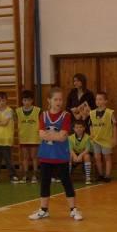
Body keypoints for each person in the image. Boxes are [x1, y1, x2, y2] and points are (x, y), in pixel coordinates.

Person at [28, 86, 83, 221]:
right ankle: (43, 209)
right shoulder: (43, 115)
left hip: (61, 156)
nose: (59, 102)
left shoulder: (66, 116)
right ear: (49, 100)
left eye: (60, 99)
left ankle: (73, 209)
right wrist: (55, 135)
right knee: (45, 183)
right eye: (56, 99)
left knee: (66, 182)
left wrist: (51, 135)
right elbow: (41, 135)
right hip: (46, 155)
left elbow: (63, 137)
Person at [89, 91, 117, 182]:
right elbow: (91, 125)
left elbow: (114, 126)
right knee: (97, 157)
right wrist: (91, 134)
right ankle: (101, 174)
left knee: (107, 158)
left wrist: (115, 138)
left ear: (106, 101)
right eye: (97, 99)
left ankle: (107, 175)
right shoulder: (92, 113)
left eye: (100, 99)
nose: (98, 101)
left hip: (107, 139)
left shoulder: (110, 113)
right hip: (96, 139)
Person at [0, 91, 17, 184]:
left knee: (8, 159)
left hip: (6, 139)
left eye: (3, 100)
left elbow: (5, 123)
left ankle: (13, 175)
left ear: (6, 101)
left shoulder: (9, 110)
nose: (1, 102)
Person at [15, 89, 41, 183]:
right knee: (25, 157)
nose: (26, 102)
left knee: (34, 157)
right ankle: (25, 175)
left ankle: (35, 175)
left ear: (32, 101)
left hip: (34, 138)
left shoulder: (37, 110)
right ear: (22, 101)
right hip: (24, 138)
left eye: (28, 100)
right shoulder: (18, 111)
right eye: (25, 100)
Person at [68, 119, 92, 185]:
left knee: (87, 156)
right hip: (74, 153)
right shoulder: (70, 138)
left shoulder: (87, 137)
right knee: (68, 156)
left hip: (83, 153)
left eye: (81, 127)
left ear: (84, 128)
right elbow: (70, 149)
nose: (79, 129)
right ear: (73, 129)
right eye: (77, 127)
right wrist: (75, 156)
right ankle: (67, 177)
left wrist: (80, 156)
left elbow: (87, 149)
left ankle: (88, 177)